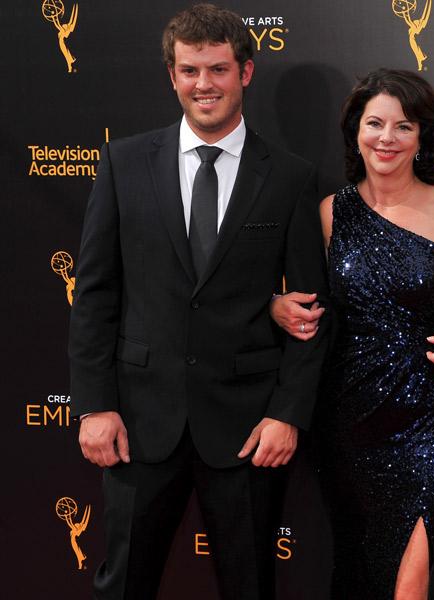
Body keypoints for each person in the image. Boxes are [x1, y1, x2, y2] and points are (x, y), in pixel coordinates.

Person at [68, 4, 329, 598]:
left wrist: (287, 413)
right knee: (122, 584)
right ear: (172, 75)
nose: (203, 84)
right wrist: (93, 406)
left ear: (246, 72)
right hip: (138, 420)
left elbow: (313, 312)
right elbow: (94, 297)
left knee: (250, 585)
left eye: (217, 69)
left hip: (246, 426)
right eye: (190, 71)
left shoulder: (288, 177)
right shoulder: (123, 164)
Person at [270, 68, 434, 599]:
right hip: (347, 417)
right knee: (362, 568)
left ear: (422, 139)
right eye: (375, 123)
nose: (387, 138)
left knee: (413, 582)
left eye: (404, 126)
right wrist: (276, 305)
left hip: (432, 418)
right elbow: (304, 301)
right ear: (355, 131)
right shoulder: (329, 214)